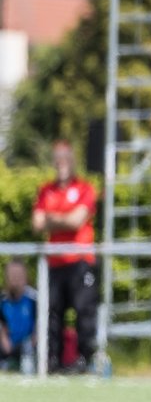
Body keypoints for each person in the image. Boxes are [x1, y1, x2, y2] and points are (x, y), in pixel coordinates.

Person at [32, 140, 99, 373]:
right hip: (54, 261)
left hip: (80, 261)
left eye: (65, 157)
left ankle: (85, 360)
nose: (61, 162)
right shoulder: (46, 190)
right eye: (57, 157)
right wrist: (64, 220)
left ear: (72, 160)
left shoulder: (85, 188)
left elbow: (76, 220)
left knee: (84, 311)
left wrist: (53, 219)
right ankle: (52, 360)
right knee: (51, 313)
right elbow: (37, 223)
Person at [0, 261, 38, 374]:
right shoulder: (2, 300)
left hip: (29, 344)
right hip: (8, 344)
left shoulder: (34, 299)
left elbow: (41, 322)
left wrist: (35, 338)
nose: (15, 279)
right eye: (11, 275)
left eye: (18, 275)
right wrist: (3, 338)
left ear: (25, 277)